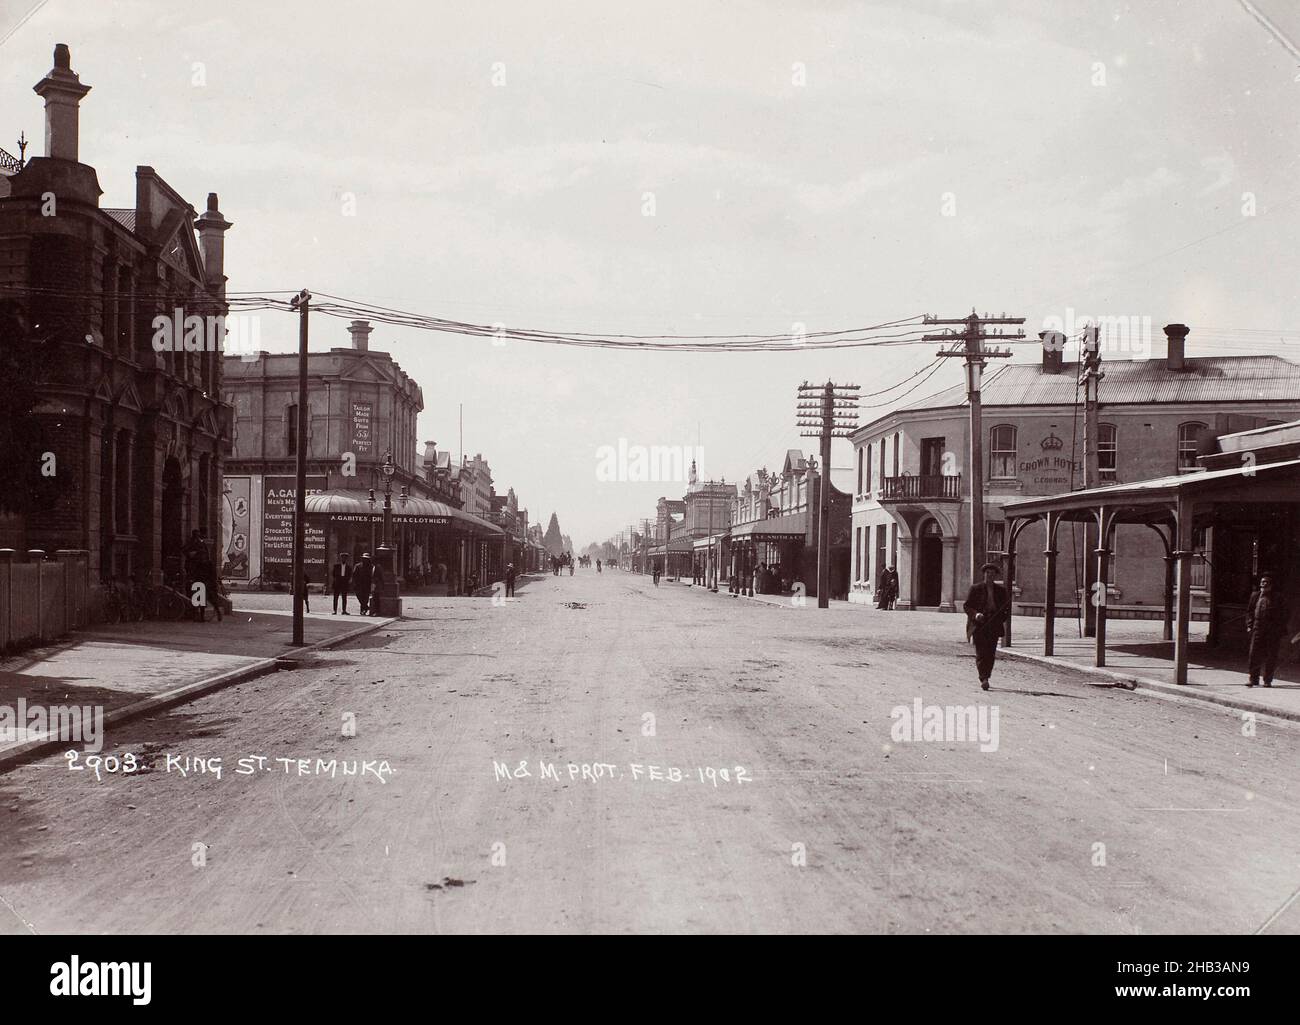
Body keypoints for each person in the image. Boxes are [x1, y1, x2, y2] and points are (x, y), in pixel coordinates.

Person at [963, 563, 1010, 691]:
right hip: (980, 624)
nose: (989, 575)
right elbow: (967, 606)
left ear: (995, 576)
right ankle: (983, 678)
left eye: (992, 573)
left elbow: (1006, 608)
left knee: (990, 652)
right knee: (981, 652)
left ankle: (987, 676)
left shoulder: (1000, 591)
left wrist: (1000, 618)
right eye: (987, 573)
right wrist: (976, 614)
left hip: (993, 623)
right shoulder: (975, 588)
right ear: (984, 574)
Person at [1246, 573, 1289, 688]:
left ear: (1271, 585)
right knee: (1254, 654)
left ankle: (1267, 680)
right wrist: (1249, 625)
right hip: (1257, 628)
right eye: (1262, 582)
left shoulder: (1278, 597)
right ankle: (1253, 679)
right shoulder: (1255, 596)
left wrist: (1278, 629)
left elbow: (1284, 614)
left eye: (1266, 582)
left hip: (1272, 631)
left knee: (1271, 655)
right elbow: (1250, 611)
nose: (1264, 584)